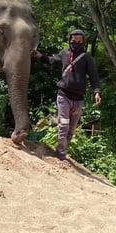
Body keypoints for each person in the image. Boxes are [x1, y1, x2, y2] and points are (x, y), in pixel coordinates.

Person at [32, 29, 101, 161]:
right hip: (63, 95)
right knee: (63, 124)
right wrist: (40, 56)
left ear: (83, 43)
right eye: (74, 41)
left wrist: (96, 91)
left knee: (71, 129)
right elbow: (52, 59)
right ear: (70, 41)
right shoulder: (64, 53)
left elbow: (94, 77)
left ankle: (62, 149)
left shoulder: (87, 58)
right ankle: (61, 154)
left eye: (79, 41)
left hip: (79, 99)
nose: (76, 44)